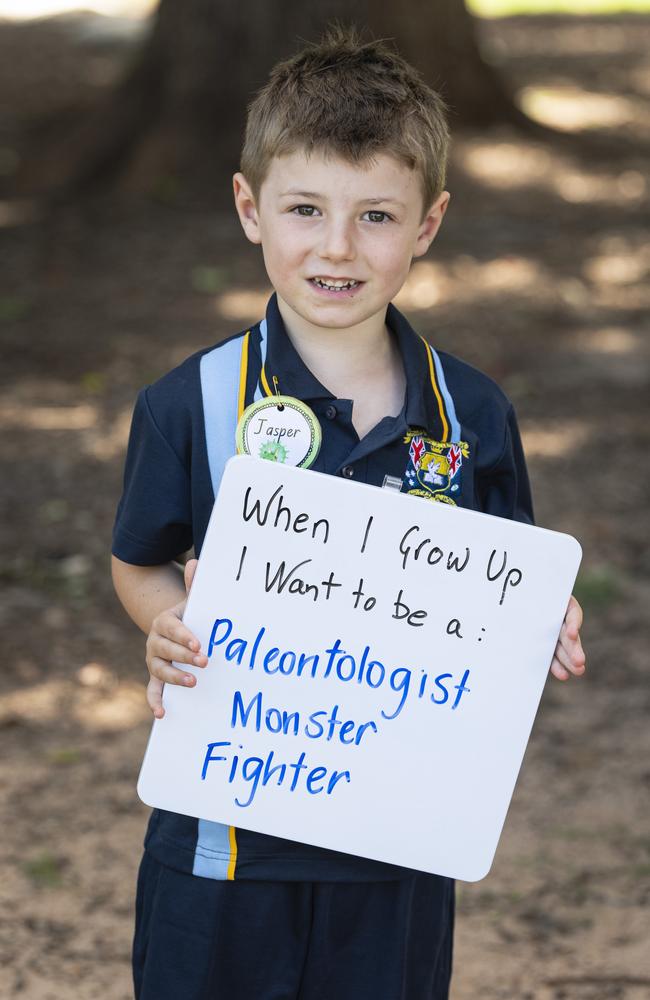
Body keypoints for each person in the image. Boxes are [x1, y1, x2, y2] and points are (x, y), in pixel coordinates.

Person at [111, 26, 586, 1000]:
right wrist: (162, 621)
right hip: (223, 847)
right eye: (304, 209)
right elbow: (140, 559)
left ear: (426, 223)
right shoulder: (187, 404)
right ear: (250, 209)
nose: (336, 246)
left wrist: (542, 623)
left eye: (375, 215)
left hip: (397, 847)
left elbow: (506, 588)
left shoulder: (473, 415)